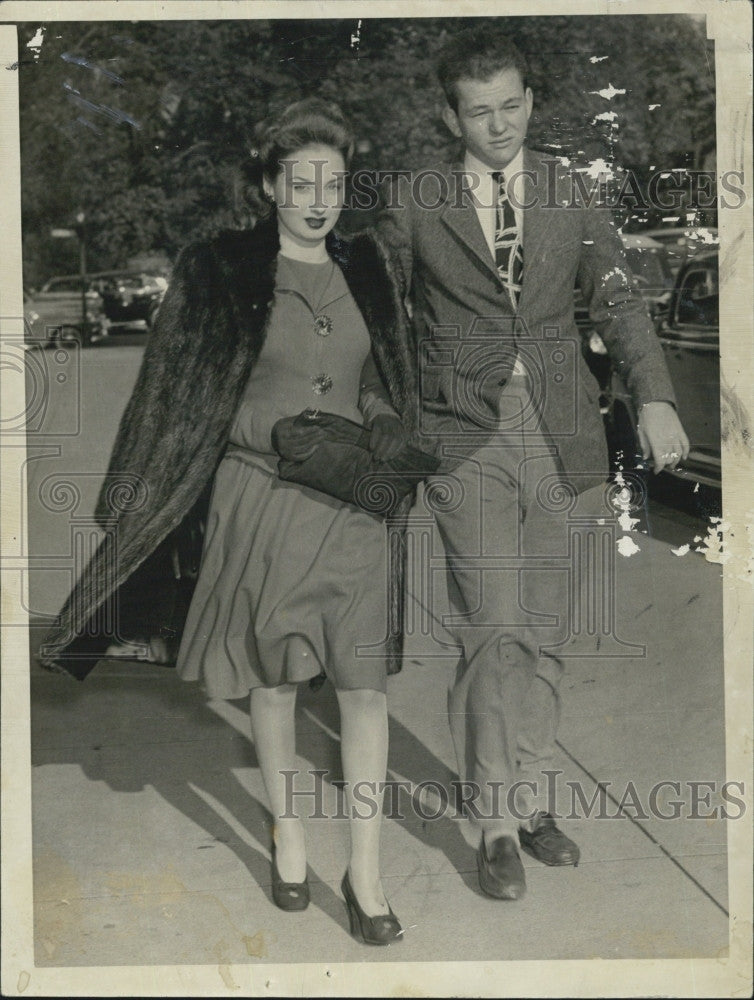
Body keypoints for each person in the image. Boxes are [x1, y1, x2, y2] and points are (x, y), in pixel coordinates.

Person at [40, 98, 418, 946]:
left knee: (365, 688)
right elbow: (186, 399)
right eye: (301, 182)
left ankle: (365, 869)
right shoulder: (220, 269)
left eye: (334, 181)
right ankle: (288, 830)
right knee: (274, 683)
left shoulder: (368, 265)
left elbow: (380, 372)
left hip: (354, 501)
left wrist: (385, 416)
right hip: (262, 499)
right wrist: (269, 432)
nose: (320, 199)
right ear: (268, 185)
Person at [367, 25, 690, 900]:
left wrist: (654, 394)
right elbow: (376, 307)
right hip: (462, 431)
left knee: (546, 631)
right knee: (492, 626)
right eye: (479, 111)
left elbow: (617, 296)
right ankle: (496, 821)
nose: (498, 124)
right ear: (451, 115)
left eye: (511, 104)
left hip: (562, 427)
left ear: (531, 102)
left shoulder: (568, 191)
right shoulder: (417, 198)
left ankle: (535, 794)